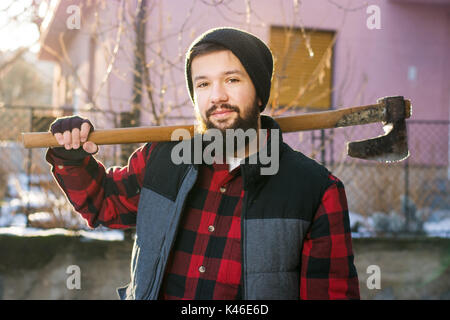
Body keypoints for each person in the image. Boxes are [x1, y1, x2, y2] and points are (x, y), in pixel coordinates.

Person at [46, 27, 360, 300]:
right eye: (203, 84)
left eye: (232, 79)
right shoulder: (163, 158)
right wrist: (72, 155)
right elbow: (104, 203)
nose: (217, 96)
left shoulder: (315, 191)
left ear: (261, 94)